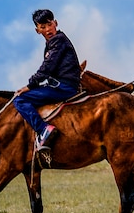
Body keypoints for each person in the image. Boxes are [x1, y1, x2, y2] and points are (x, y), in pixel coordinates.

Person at [14, 9, 83, 152]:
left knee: (20, 100)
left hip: (64, 88)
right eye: (42, 27)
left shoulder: (58, 40)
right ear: (37, 30)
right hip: (61, 85)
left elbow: (47, 68)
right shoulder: (54, 43)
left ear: (55, 23)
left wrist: (29, 86)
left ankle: (43, 130)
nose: (47, 29)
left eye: (49, 24)